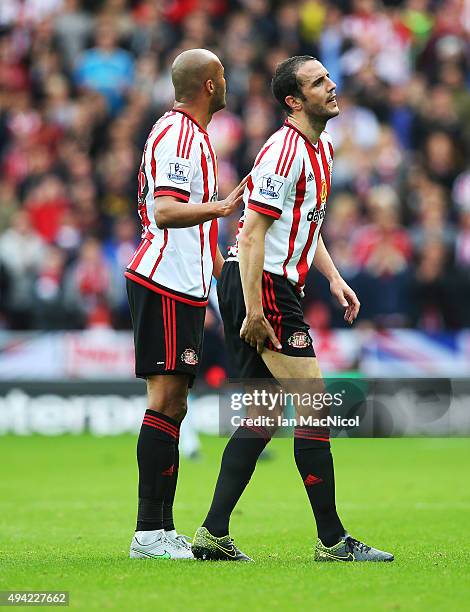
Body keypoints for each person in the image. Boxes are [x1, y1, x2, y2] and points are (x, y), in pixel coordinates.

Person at [192, 56, 394, 562]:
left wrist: (333, 276)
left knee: (260, 415)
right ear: (293, 100)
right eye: (318, 82)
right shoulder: (284, 153)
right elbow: (255, 232)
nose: (332, 86)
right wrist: (257, 309)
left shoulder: (318, 146)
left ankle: (212, 534)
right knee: (314, 404)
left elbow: (304, 224)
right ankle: (332, 541)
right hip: (263, 284)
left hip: (264, 281)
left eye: (328, 78)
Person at [126, 48, 246, 560]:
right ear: (210, 86)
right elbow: (167, 211)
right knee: (166, 401)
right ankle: (150, 533)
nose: (227, 81)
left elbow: (198, 234)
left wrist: (229, 279)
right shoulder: (177, 133)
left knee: (174, 404)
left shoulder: (193, 136)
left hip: (186, 284)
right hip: (165, 282)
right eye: (222, 74)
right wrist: (221, 207)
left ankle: (158, 529)